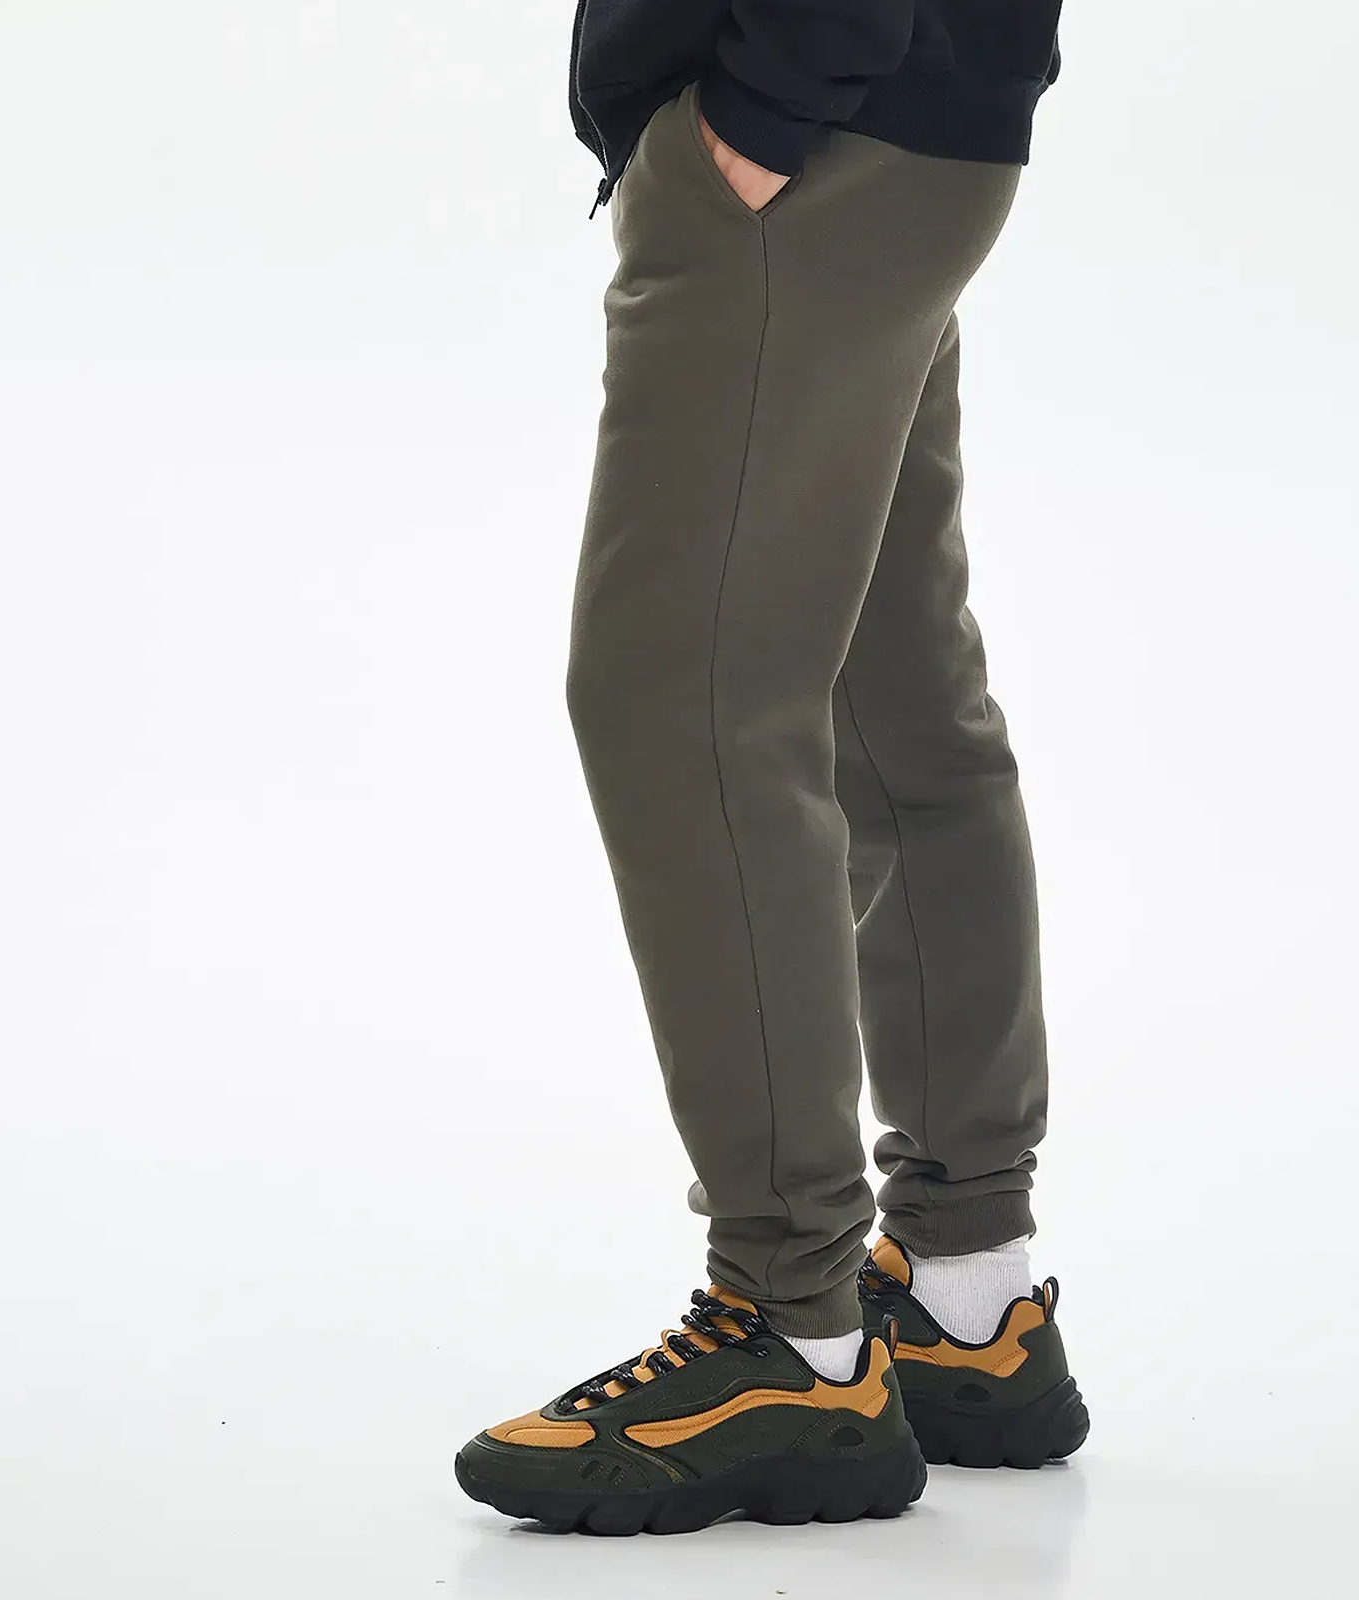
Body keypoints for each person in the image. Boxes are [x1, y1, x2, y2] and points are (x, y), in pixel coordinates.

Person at [454, 0, 1087, 1534]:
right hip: (919, 126)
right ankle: (967, 1297)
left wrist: (766, 104)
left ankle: (792, 1334)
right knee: (894, 701)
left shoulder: (788, 126)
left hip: (806, 137)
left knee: (684, 704)